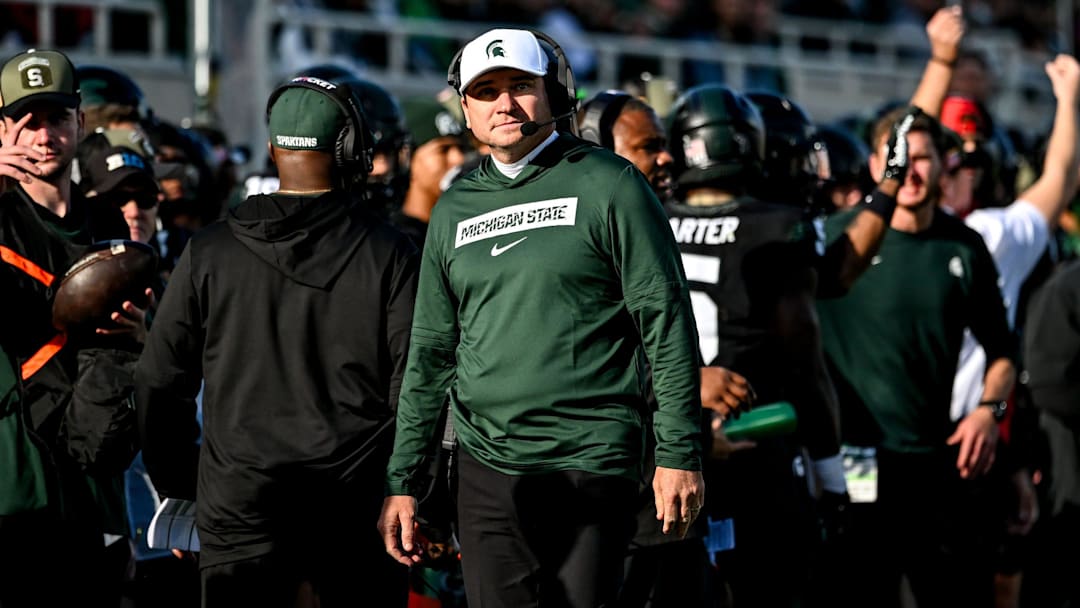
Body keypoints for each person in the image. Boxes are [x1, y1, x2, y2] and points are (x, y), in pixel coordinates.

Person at [379, 28, 705, 608]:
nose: (504, 104)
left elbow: (667, 322)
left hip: (593, 459)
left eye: (519, 86)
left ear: (554, 93)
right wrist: (403, 483)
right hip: (485, 470)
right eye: (486, 91)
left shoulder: (612, 183)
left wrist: (678, 453)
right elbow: (430, 352)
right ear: (467, 109)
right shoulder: (454, 207)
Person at [136, 75, 418, 607]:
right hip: (354, 515)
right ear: (352, 149)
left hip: (238, 513)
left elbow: (157, 381)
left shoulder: (209, 251)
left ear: (272, 148)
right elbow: (416, 385)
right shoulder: (392, 253)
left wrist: (191, 487)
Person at [665, 83, 916, 607]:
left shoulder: (650, 217)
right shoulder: (777, 227)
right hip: (756, 446)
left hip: (666, 453)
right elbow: (805, 363)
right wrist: (832, 476)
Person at [816, 104, 1018, 606]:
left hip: (931, 464)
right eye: (898, 157)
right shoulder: (836, 240)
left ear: (944, 166)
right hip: (848, 464)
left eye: (923, 157)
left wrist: (989, 413)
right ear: (874, 166)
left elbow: (1003, 353)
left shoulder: (965, 247)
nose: (910, 169)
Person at [0, 47, 139, 606]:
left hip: (92, 465)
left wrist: (139, 332)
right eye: (28, 121)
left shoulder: (105, 218)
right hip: (16, 471)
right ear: (3, 127)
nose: (43, 136)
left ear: (80, 121)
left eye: (57, 118)